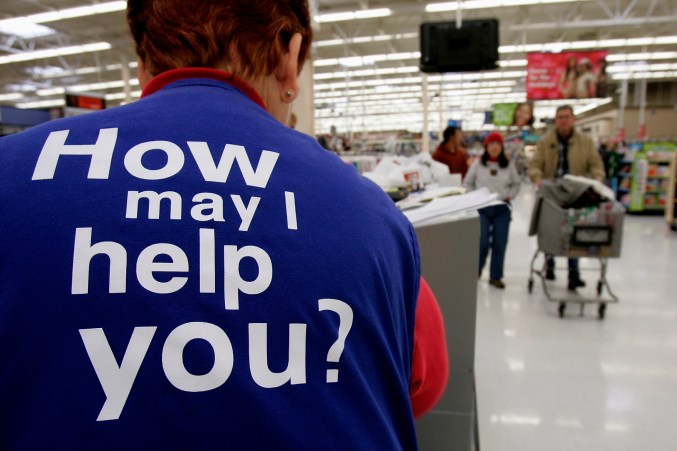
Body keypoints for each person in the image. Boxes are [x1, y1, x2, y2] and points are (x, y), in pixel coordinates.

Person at [0, 1, 448, 450]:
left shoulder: (12, 176)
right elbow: (422, 381)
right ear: (289, 58)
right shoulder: (368, 214)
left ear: (142, 66)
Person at [528, 105, 606, 291]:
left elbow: (596, 165)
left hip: (576, 193)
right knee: (550, 230)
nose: (563, 120)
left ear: (573, 119)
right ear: (556, 120)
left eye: (566, 117)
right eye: (560, 117)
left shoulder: (585, 142)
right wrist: (537, 178)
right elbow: (535, 164)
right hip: (552, 192)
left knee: (574, 233)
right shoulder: (546, 142)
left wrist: (596, 180)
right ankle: (550, 265)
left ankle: (574, 274)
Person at [464, 132, 521, 289]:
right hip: (482, 208)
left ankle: (496, 276)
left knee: (499, 243)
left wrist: (511, 195)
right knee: (481, 243)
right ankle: (476, 270)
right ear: (486, 147)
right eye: (491, 144)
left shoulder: (508, 165)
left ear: (502, 147)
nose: (495, 147)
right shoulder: (478, 165)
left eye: (497, 144)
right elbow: (467, 183)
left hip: (502, 208)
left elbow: (517, 183)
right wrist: (473, 197)